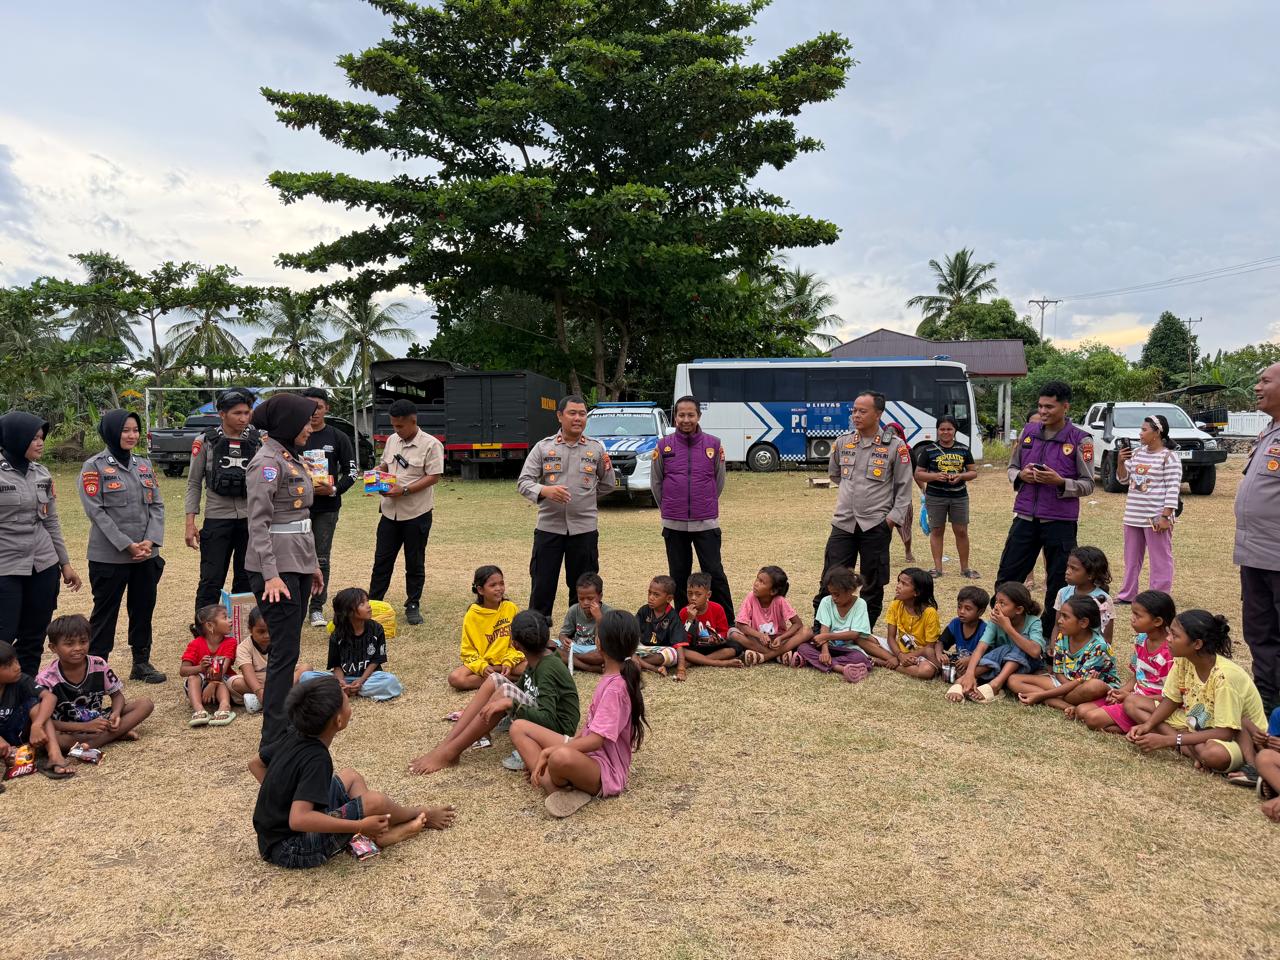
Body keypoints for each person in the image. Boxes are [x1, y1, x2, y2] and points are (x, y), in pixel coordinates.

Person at [251, 675, 455, 869]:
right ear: (338, 721)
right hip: (291, 848)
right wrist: (358, 825)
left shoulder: (294, 733)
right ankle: (418, 815)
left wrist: (281, 798)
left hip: (271, 839)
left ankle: (376, 833)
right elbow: (299, 819)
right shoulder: (317, 759)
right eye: (347, 704)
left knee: (351, 776)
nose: (350, 707)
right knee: (375, 801)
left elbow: (255, 764)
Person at [245, 393, 325, 752]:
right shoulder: (266, 463)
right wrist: (271, 574)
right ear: (289, 424)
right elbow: (259, 524)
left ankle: (283, 725)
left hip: (297, 563)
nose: (310, 427)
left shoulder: (286, 457)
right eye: (305, 421)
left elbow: (301, 522)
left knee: (289, 650)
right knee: (284, 654)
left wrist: (314, 567)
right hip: (276, 570)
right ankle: (273, 737)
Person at [412, 610, 580, 775]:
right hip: (541, 715)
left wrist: (510, 704)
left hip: (557, 730)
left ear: (515, 645)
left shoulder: (548, 668)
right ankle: (446, 746)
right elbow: (521, 689)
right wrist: (492, 705)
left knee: (505, 692)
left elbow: (548, 717)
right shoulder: (536, 658)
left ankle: (450, 752)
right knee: (495, 680)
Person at [517, 609, 648, 818]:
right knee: (519, 727)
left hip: (605, 771)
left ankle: (554, 784)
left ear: (599, 644)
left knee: (558, 757)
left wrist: (548, 751)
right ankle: (554, 781)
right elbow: (589, 729)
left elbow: (596, 741)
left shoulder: (616, 688)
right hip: (587, 756)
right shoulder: (611, 677)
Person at [994, 380, 1095, 636]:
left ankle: (1047, 640)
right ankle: (1005, 633)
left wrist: (1060, 482)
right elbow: (1011, 468)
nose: (1044, 412)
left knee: (1059, 586)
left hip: (1060, 522)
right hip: (1026, 517)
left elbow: (1088, 484)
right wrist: (1021, 476)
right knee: (1007, 578)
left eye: (1049, 406)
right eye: (1040, 406)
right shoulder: (1028, 431)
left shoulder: (1080, 439)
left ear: (1065, 407)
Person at [79, 409, 167, 683]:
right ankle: (97, 669)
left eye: (135, 430)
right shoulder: (93, 467)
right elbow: (97, 512)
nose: (132, 435)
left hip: (145, 555)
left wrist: (150, 541)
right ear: (111, 432)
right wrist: (127, 545)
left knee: (143, 609)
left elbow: (157, 505)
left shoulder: (144, 465)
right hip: (110, 558)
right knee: (105, 616)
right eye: (125, 430)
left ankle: (141, 663)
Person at [813, 391, 913, 630]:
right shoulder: (844, 442)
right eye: (854, 410)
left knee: (872, 582)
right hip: (844, 523)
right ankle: (820, 629)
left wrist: (890, 521)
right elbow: (835, 474)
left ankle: (861, 632)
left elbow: (904, 488)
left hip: (876, 525)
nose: (856, 415)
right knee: (830, 577)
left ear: (878, 414)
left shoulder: (895, 447)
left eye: (862, 411)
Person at [1128, 610, 1266, 776]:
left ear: (1197, 644)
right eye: (1170, 633)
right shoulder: (1182, 659)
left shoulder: (1224, 676)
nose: (1168, 639)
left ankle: (1187, 744)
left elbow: (1226, 731)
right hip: (1196, 721)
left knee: (1213, 756)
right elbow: (1171, 700)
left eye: (1175, 635)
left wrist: (1167, 740)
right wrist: (1147, 725)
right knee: (1132, 702)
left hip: (1237, 736)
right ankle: (1190, 745)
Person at [517, 395, 617, 619]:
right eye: (572, 413)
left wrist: (586, 498)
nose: (578, 418)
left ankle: (581, 632)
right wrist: (545, 491)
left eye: (582, 414)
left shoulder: (596, 449)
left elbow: (608, 483)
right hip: (549, 529)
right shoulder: (543, 448)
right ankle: (538, 633)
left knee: (584, 587)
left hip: (584, 531)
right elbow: (523, 483)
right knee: (542, 584)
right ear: (560, 416)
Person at [0, 412, 82, 675]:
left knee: (35, 635)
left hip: (43, 563)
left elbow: (51, 522)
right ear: (15, 437)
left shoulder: (41, 473)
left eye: (41, 437)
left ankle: (28, 693)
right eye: (33, 437)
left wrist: (65, 564)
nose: (40, 442)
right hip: (6, 565)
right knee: (4, 636)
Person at [651, 395, 732, 613]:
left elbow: (719, 481)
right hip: (674, 524)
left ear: (698, 416)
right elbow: (656, 482)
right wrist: (669, 508)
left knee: (714, 572)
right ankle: (682, 620)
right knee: (678, 575)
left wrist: (705, 503)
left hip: (706, 522)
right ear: (674, 416)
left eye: (691, 415)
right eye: (681, 415)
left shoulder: (713, 444)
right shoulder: (663, 446)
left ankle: (727, 621)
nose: (686, 419)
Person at [368, 399, 443, 627]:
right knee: (382, 560)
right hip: (390, 513)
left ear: (413, 421)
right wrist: (376, 473)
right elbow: (385, 465)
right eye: (393, 425)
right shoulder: (392, 440)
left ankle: (412, 604)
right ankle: (373, 602)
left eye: (400, 426)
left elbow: (434, 476)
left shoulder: (430, 444)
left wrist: (406, 489)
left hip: (416, 513)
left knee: (414, 561)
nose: (396, 430)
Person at [185, 387, 259, 616]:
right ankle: (204, 629)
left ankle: (242, 627)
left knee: (247, 577)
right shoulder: (205, 441)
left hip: (249, 520)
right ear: (222, 414)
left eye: (247, 412)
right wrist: (190, 523)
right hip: (217, 519)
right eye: (237, 413)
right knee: (211, 578)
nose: (243, 418)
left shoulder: (257, 441)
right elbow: (194, 483)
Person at [34, 614, 153, 751]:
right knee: (56, 740)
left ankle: (97, 740)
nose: (78, 648)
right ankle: (112, 736)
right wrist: (84, 727)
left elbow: (117, 695)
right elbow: (44, 721)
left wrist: (116, 713)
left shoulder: (98, 664)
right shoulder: (46, 679)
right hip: (68, 729)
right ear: (53, 647)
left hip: (99, 721)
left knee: (145, 704)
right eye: (69, 644)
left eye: (83, 642)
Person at [1234, 360, 1280, 715]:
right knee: (1259, 632)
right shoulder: (1268, 432)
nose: (1256, 387)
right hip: (1254, 553)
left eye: (1264, 381)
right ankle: (1266, 702)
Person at [1075, 590, 1175, 734]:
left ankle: (1147, 725)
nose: (1132, 618)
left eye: (1138, 615)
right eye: (1132, 613)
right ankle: (1136, 724)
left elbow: (1170, 697)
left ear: (1157, 621)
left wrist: (1130, 697)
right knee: (1081, 711)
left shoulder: (1169, 653)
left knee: (1091, 718)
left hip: (1152, 704)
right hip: (1134, 697)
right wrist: (1121, 692)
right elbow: (1137, 675)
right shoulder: (1141, 639)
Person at [301, 388, 358, 628]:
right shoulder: (293, 435)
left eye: (319, 407)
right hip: (296, 507)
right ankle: (295, 606)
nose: (314, 412)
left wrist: (334, 490)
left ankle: (316, 608)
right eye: (309, 407)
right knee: (294, 557)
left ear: (327, 409)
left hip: (327, 507)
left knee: (321, 558)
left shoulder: (337, 437)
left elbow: (352, 471)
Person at [1008, 595, 1119, 716]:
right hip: (1065, 684)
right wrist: (1061, 689)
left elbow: (1081, 682)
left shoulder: (1099, 647)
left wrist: (1041, 694)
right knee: (1013, 680)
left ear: (1083, 622)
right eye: (1061, 615)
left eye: (1065, 617)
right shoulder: (1062, 636)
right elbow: (1058, 671)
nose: (1059, 620)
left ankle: (1045, 697)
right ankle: (1066, 705)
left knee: (1094, 686)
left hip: (1084, 687)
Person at [1114, 415, 1181, 602]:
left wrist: (1165, 516)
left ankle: (1158, 597)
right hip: (1133, 515)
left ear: (1157, 432)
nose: (1140, 433)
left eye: (1144, 430)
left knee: (1160, 559)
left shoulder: (1169, 457)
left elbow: (1173, 488)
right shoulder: (1136, 454)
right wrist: (1120, 462)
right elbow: (1123, 479)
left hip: (1156, 517)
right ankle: (1127, 594)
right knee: (1131, 559)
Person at [300, 587, 402, 701]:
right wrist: (341, 682)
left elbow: (376, 660)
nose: (368, 605)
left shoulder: (376, 629)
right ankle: (344, 689)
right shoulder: (337, 635)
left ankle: (346, 691)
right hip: (344, 678)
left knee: (390, 680)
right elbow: (336, 664)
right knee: (306, 677)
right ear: (348, 612)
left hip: (369, 678)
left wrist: (361, 681)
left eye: (367, 601)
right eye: (362, 603)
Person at [913, 415, 979, 580]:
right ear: (937, 430)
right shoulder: (928, 450)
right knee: (937, 530)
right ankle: (938, 568)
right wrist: (935, 476)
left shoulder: (963, 449)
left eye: (949, 429)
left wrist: (961, 476)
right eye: (942, 429)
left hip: (959, 496)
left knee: (961, 531)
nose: (946, 432)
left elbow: (973, 472)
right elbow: (918, 474)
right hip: (935, 496)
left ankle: (965, 569)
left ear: (955, 430)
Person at [783, 566, 874, 682]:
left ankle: (812, 662)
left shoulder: (860, 604)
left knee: (859, 657)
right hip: (828, 646)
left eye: (837, 594)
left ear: (850, 590)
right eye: (832, 594)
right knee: (803, 648)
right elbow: (824, 628)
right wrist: (825, 651)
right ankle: (840, 668)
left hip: (848, 648)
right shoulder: (826, 602)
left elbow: (855, 634)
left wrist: (827, 636)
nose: (834, 598)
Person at [959, 582, 1046, 703]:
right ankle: (965, 679)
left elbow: (1035, 652)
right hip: (1001, 665)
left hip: (1027, 665)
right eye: (996, 602)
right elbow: (981, 648)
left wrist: (1008, 628)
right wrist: (969, 673)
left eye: (1002, 603)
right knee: (1001, 650)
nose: (996, 607)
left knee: (1021, 641)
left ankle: (996, 684)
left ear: (1019, 609)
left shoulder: (1033, 621)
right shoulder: (995, 620)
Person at [0, 639, 73, 781]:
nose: (17, 667)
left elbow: (50, 697)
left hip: (17, 732)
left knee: (35, 704)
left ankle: (55, 756)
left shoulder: (20, 680)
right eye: (9, 665)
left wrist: (37, 724)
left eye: (16, 661)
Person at [452, 565, 523, 690]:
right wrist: (482, 666)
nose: (499, 589)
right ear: (480, 590)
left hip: (508, 661)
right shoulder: (473, 615)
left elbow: (518, 643)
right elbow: (468, 651)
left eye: (501, 583)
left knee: (536, 664)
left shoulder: (510, 608)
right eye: (493, 585)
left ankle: (498, 675)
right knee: (456, 678)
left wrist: (509, 662)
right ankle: (510, 677)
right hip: (484, 663)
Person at [229, 607, 311, 714]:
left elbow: (288, 666)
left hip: (281, 678)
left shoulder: (280, 641)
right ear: (250, 629)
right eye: (261, 632)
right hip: (257, 680)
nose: (266, 635)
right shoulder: (243, 647)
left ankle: (279, 694)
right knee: (234, 683)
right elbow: (247, 671)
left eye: (270, 630)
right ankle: (278, 696)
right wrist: (259, 691)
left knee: (306, 668)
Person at [730, 565, 810, 666]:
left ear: (773, 591)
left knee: (807, 631)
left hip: (779, 642)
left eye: (762, 582)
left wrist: (781, 638)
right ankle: (779, 656)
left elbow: (797, 624)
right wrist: (759, 635)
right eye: (757, 579)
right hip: (758, 641)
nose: (756, 584)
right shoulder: (751, 597)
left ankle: (764, 657)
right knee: (733, 633)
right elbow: (740, 625)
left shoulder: (780, 601)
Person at [180, 603, 238, 728]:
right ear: (210, 625)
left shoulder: (230, 642)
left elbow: (223, 669)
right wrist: (200, 668)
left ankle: (224, 706)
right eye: (225, 617)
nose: (230, 620)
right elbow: (183, 671)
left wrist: (212, 684)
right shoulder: (195, 644)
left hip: (222, 681)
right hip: (200, 685)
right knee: (192, 677)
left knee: (220, 680)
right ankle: (199, 709)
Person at [879, 568, 943, 680]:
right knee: (862, 638)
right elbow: (890, 637)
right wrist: (900, 655)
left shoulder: (930, 613)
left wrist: (906, 657)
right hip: (898, 649)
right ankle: (893, 659)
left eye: (904, 584)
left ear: (917, 592)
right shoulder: (895, 604)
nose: (898, 586)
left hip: (920, 655)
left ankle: (885, 662)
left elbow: (928, 649)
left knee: (926, 671)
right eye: (899, 581)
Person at [679, 572, 745, 668]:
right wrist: (689, 620)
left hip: (713, 647)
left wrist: (717, 638)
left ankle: (695, 661)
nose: (693, 598)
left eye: (698, 594)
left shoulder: (717, 608)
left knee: (736, 647)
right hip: (694, 647)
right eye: (690, 594)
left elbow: (723, 631)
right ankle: (714, 661)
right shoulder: (684, 612)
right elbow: (683, 639)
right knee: (679, 649)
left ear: (708, 594)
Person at [1053, 546, 1116, 645]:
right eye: (1068, 566)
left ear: (1090, 574)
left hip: (1091, 654)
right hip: (1064, 651)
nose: (1067, 571)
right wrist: (1054, 645)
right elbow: (1057, 625)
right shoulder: (1063, 593)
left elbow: (1107, 638)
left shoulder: (1104, 600)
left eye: (1074, 569)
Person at [941, 586, 996, 700]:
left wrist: (969, 660)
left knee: (988, 666)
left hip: (977, 667)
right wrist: (939, 654)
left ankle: (965, 682)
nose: (961, 611)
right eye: (959, 607)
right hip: (959, 665)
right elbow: (940, 643)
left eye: (968, 609)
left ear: (980, 612)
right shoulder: (956, 623)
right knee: (930, 652)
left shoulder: (985, 630)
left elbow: (989, 655)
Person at [557, 572, 612, 674]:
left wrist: (599, 618)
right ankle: (589, 667)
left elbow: (607, 641)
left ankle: (571, 660)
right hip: (577, 647)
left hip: (595, 649)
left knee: (605, 655)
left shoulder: (608, 612)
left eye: (590, 598)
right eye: (581, 599)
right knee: (550, 646)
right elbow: (563, 633)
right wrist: (564, 639)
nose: (585, 602)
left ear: (600, 596)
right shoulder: (574, 610)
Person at [886, 422, 917, 563]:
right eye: (888, 433)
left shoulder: (908, 452)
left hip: (902, 494)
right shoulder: (880, 450)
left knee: (905, 525)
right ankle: (883, 551)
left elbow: (914, 473)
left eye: (894, 434)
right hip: (883, 495)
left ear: (900, 435)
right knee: (884, 527)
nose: (891, 436)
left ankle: (908, 550)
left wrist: (923, 490)